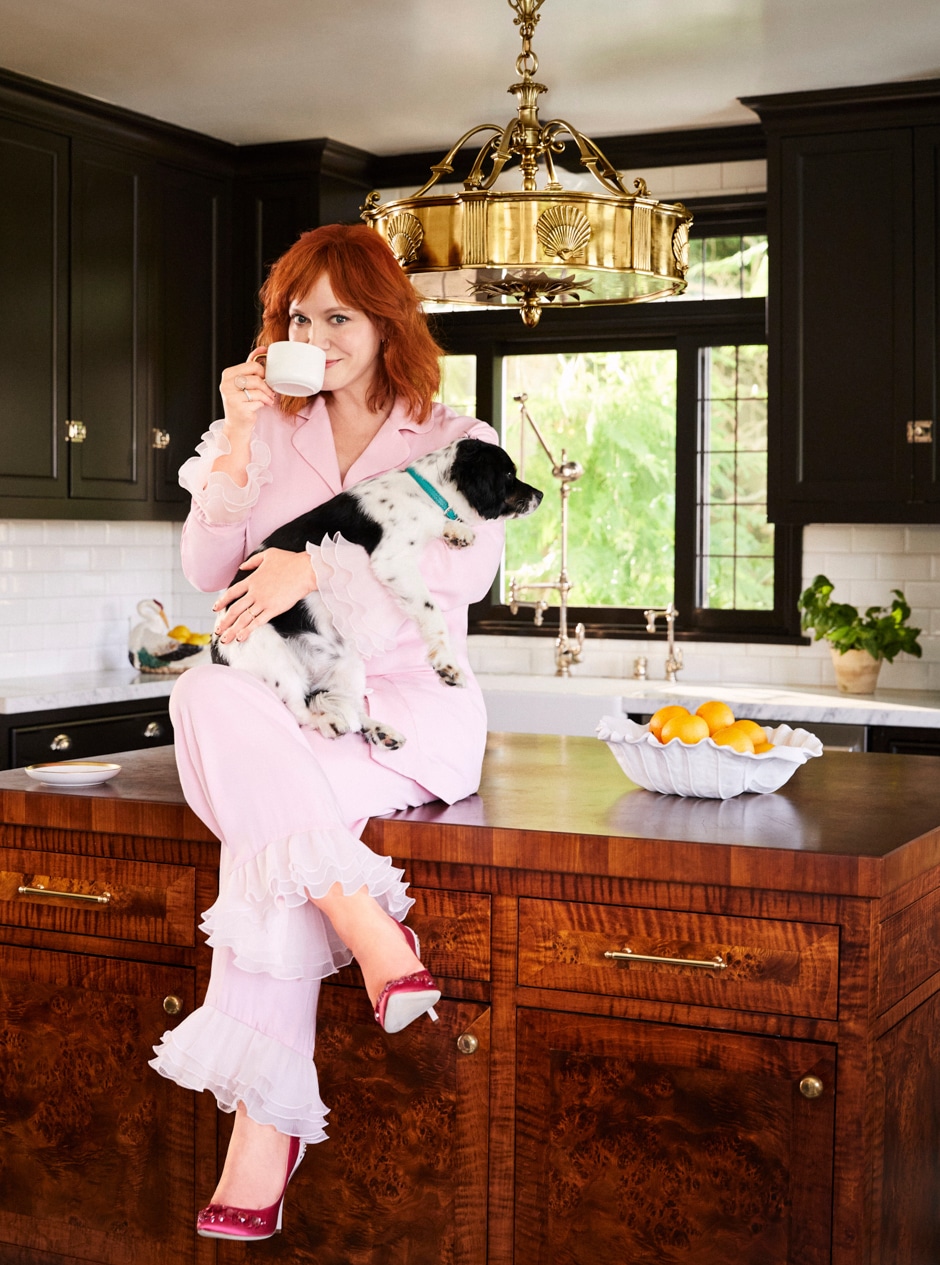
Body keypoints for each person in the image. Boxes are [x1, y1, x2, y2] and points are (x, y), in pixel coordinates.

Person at [149, 223, 505, 1241]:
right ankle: (360, 916)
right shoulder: (268, 431)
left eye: (337, 314)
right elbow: (206, 566)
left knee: (260, 835)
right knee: (203, 692)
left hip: (402, 711)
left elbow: (464, 572)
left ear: (385, 319)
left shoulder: (459, 440)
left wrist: (322, 563)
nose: (316, 333)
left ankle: (266, 1126)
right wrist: (241, 436)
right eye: (298, 317)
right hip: (291, 701)